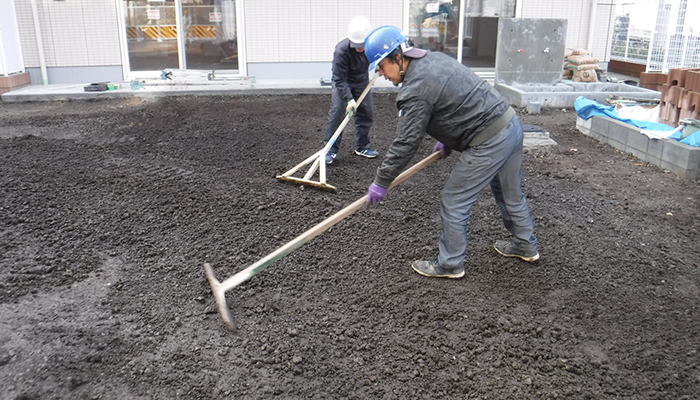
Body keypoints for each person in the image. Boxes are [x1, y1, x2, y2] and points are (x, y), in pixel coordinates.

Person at [364, 26, 539, 279]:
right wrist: (450, 136)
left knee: (454, 200)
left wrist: (381, 181)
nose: (381, 74)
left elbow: (406, 143)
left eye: (381, 66)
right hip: (509, 123)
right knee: (510, 193)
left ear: (398, 57)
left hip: (489, 140)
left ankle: (450, 264)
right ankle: (526, 245)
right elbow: (459, 93)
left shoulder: (415, 89)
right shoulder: (434, 58)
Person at [323, 16, 379, 164]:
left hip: (362, 81)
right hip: (343, 82)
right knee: (337, 113)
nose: (360, 48)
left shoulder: (372, 45)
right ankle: (330, 150)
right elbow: (339, 79)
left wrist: (382, 63)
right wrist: (349, 99)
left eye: (362, 44)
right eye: (357, 44)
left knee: (366, 114)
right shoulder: (341, 50)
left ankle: (362, 147)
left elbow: (380, 56)